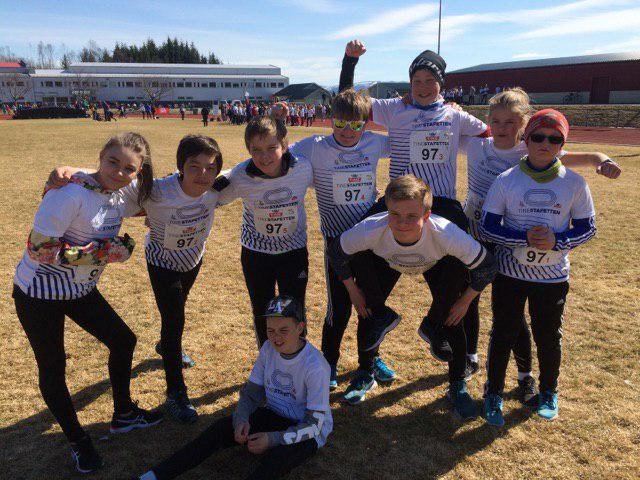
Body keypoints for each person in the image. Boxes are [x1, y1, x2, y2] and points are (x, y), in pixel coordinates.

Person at [49, 136, 228, 425]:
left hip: (193, 260)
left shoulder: (219, 187)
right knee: (174, 319)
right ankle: (176, 393)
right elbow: (114, 178)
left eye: (210, 167)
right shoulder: (155, 190)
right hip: (162, 262)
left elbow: (251, 170)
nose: (203, 174)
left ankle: (168, 346)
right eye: (194, 167)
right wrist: (69, 171)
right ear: (180, 167)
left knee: (177, 311)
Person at [13, 132, 163, 474]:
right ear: (100, 157)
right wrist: (105, 252)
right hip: (39, 293)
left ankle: (123, 414)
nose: (119, 172)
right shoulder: (68, 193)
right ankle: (78, 440)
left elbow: (155, 199)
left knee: (123, 340)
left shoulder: (122, 192)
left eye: (129, 168)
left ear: (138, 172)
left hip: (80, 290)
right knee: (53, 367)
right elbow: (39, 248)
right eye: (113, 162)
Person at [338, 39, 490, 372]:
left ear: (441, 84)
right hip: (398, 200)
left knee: (465, 268)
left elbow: (493, 135)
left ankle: (448, 336)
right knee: (356, 241)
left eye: (430, 81)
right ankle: (377, 317)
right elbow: (347, 102)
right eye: (416, 81)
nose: (422, 87)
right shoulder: (395, 108)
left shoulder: (456, 115)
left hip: (441, 204)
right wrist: (350, 61)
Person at [460, 88, 621, 402]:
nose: (503, 127)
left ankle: (525, 375)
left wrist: (603, 160)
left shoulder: (534, 147)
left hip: (513, 246)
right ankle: (470, 356)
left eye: (511, 122)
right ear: (489, 122)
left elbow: (582, 156)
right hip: (478, 233)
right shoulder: (477, 145)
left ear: (523, 126)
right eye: (496, 121)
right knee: (473, 298)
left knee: (514, 316)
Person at [328, 175, 496, 418]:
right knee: (368, 310)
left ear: (426, 216)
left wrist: (465, 301)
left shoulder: (446, 233)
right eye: (395, 214)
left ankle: (457, 383)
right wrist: (354, 291)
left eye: (411, 216)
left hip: (438, 259)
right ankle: (365, 371)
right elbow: (336, 252)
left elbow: (487, 266)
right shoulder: (371, 227)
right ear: (386, 209)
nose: (402, 222)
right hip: (385, 258)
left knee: (452, 315)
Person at [480, 109, 597, 426]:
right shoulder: (506, 180)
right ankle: (493, 394)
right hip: (510, 275)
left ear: (562, 144)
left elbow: (588, 228)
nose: (546, 143)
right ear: (526, 139)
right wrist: (523, 238)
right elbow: (488, 227)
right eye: (538, 136)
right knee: (502, 334)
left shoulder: (574, 182)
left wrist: (558, 241)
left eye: (555, 139)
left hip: (552, 277)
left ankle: (548, 392)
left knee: (548, 337)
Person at [135, 295, 332, 480]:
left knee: (275, 461)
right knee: (218, 429)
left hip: (305, 429)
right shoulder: (267, 349)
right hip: (273, 415)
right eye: (270, 330)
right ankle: (153, 475)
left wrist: (272, 439)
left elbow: (314, 425)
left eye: (283, 330)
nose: (276, 337)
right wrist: (241, 419)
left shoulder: (316, 366)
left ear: (300, 328)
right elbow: (251, 394)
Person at [282, 88, 397, 401]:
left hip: (371, 240)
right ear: (330, 119)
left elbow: (405, 137)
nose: (348, 131)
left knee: (371, 305)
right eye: (340, 123)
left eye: (356, 125)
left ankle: (370, 360)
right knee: (340, 308)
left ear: (366, 124)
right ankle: (329, 362)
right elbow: (277, 155)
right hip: (337, 242)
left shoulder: (374, 142)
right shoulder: (315, 146)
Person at [216, 116, 313, 347]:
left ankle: (297, 358)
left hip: (293, 251)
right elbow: (211, 197)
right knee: (261, 309)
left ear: (284, 146)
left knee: (295, 307)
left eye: (272, 148)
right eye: (256, 150)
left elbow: (329, 180)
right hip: (256, 253)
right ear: (248, 150)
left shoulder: (303, 168)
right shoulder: (240, 175)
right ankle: (266, 358)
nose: (265, 157)